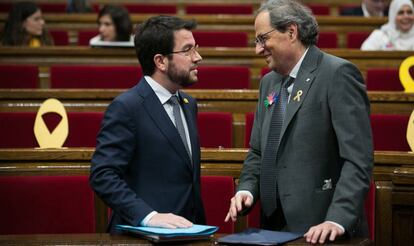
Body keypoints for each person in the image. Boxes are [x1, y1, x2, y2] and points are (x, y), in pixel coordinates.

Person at [225, 0, 373, 244]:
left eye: (263, 39)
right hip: (272, 226)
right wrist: (247, 190)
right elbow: (258, 151)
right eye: (256, 41)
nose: (258, 50)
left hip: (322, 227)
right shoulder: (268, 83)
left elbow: (358, 159)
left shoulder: (338, 74)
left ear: (291, 32)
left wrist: (337, 218)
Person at [89, 15, 205, 233]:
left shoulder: (189, 104)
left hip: (188, 232)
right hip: (142, 236)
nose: (197, 57)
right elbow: (103, 175)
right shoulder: (126, 107)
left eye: (196, 48)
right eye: (188, 50)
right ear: (160, 61)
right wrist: (147, 216)